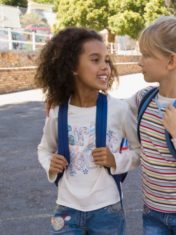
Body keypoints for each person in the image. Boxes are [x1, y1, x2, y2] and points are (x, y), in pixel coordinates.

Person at [108, 16, 176, 234]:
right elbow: (112, 111)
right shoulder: (143, 99)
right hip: (153, 213)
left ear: (171, 62)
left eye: (147, 55)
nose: (140, 61)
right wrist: (64, 99)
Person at [35, 27, 140, 234]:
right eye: (95, 60)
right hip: (66, 209)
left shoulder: (118, 109)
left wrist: (115, 160)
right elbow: (44, 149)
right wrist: (50, 163)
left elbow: (139, 151)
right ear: (73, 67)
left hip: (108, 210)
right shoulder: (58, 111)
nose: (105, 67)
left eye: (107, 60)